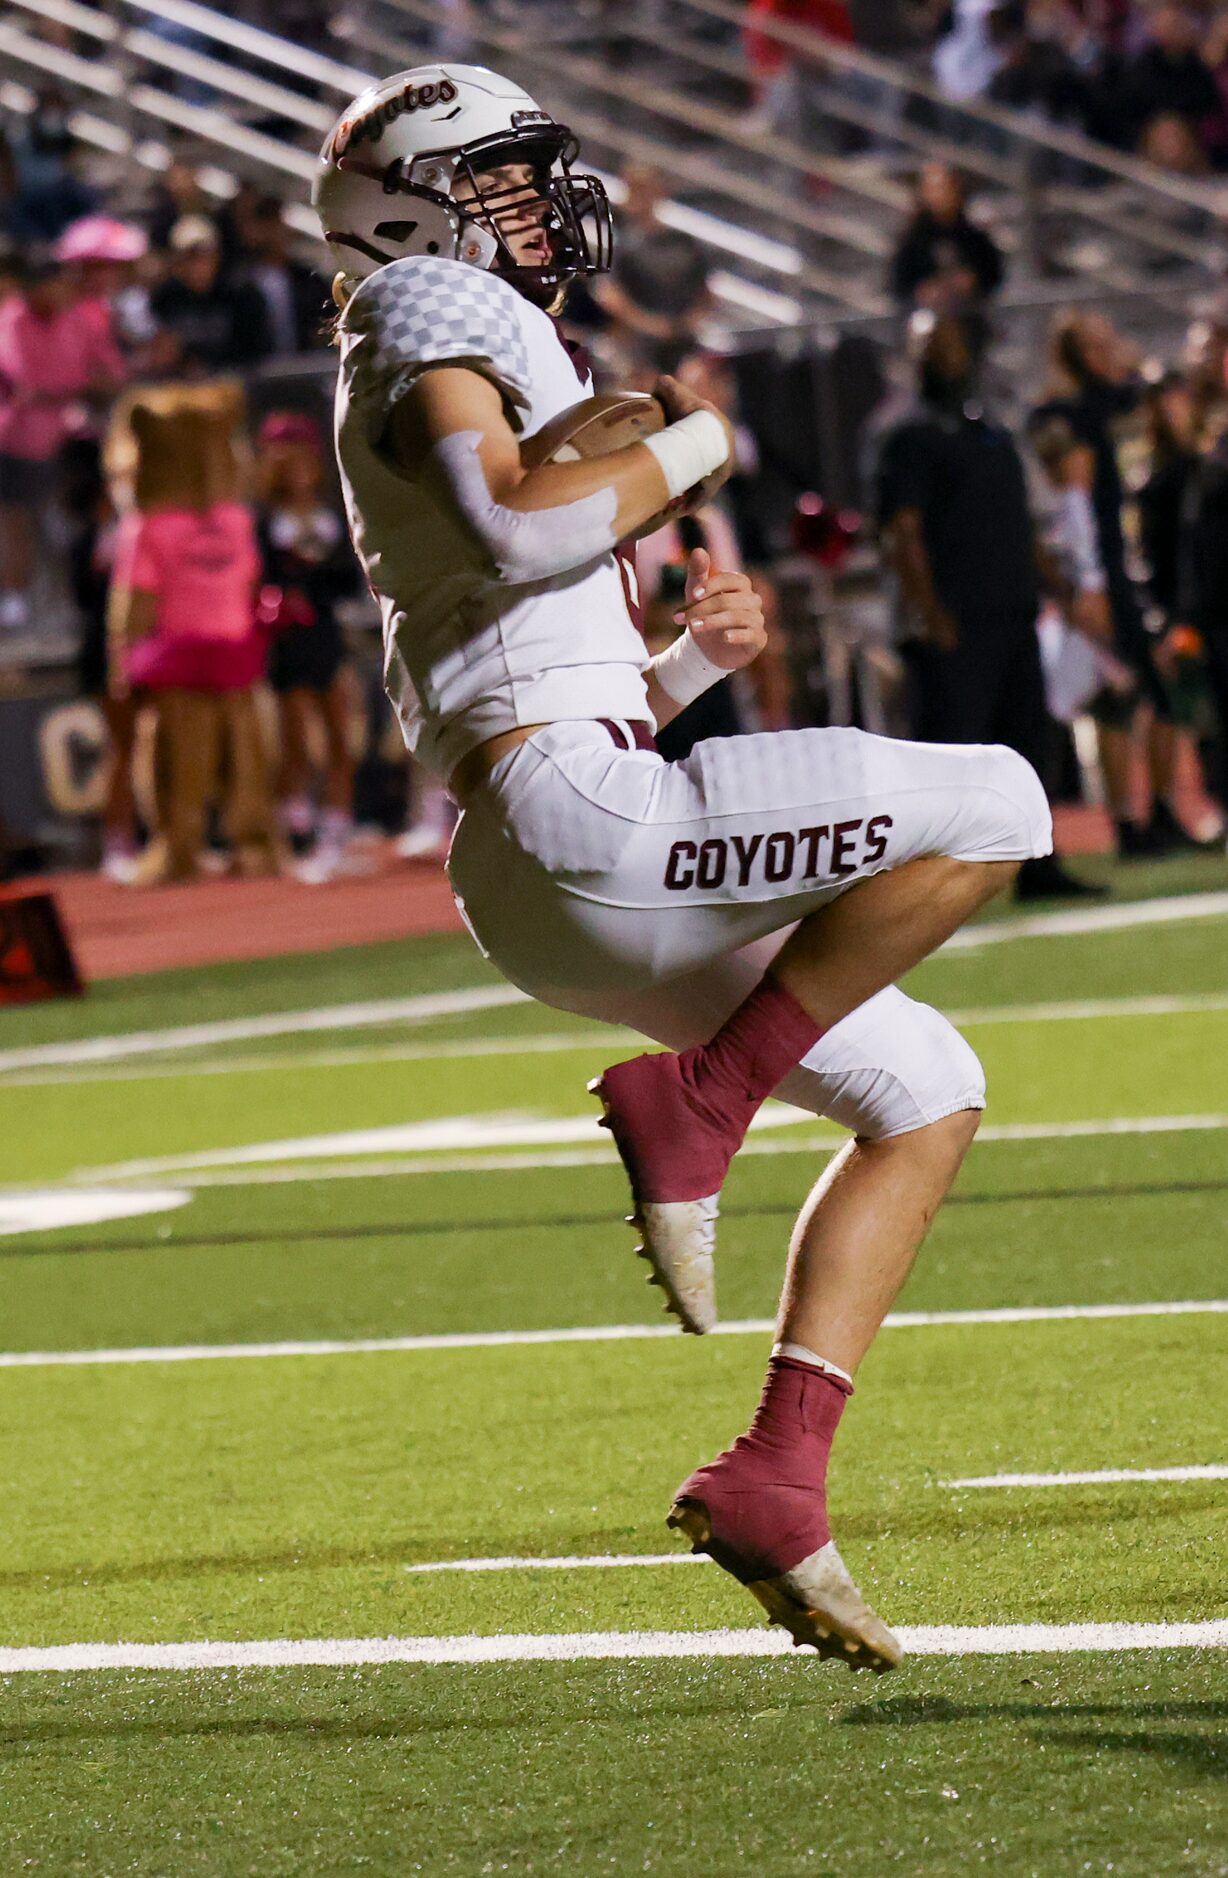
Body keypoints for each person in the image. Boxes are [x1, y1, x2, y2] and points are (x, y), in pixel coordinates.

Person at [315, 62, 1052, 1673]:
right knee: (1001, 795)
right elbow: (517, 531)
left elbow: (509, 644)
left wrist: (683, 665)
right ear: (415, 207)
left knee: (925, 1083)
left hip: (550, 843)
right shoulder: (425, 311)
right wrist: (700, 433)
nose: (538, 208)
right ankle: (704, 1096)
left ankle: (780, 1472)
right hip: (578, 823)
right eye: (502, 180)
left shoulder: (434, 347)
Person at [872, 310, 1099, 897]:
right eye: (933, 346)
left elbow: (1018, 524)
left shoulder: (990, 430)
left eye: (951, 343)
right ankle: (934, 884)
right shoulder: (908, 438)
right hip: (956, 623)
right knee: (953, 752)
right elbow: (903, 532)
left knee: (1028, 744)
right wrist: (929, 612)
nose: (947, 357)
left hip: (1012, 614)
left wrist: (1054, 585)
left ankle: (1039, 866)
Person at [1032, 311, 1179, 853]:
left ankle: (1160, 811)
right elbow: (1071, 500)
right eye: (1094, 344)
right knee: (1114, 694)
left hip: (1135, 563)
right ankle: (1126, 822)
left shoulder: (1124, 401)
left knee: (1158, 693)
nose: (1108, 351)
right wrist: (1088, 583)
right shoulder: (1063, 413)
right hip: (1094, 570)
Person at [254, 410, 360, 882]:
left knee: (340, 740)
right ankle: (292, 832)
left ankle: (335, 830)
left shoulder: (332, 515)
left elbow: (346, 579)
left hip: (324, 636)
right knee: (294, 744)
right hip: (287, 643)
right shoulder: (262, 522)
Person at [149, 217, 274, 375]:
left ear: (217, 256)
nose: (196, 265)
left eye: (202, 255)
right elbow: (158, 355)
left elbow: (259, 353)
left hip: (234, 385)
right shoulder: (166, 298)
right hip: (181, 390)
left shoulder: (242, 295)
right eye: (188, 257)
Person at [887, 164, 1005, 315]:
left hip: (971, 319)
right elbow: (899, 286)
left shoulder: (974, 237)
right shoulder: (912, 240)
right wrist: (923, 293)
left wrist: (973, 282)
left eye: (947, 187)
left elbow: (993, 276)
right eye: (935, 188)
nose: (942, 194)